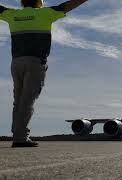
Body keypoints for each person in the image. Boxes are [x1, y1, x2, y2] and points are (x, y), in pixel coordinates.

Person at [0, 0, 88, 147]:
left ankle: (17, 132)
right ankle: (20, 137)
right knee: (28, 100)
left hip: (16, 63)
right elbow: (67, 6)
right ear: (39, 1)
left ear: (22, 2)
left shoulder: (12, 14)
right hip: (35, 62)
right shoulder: (45, 13)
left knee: (18, 100)